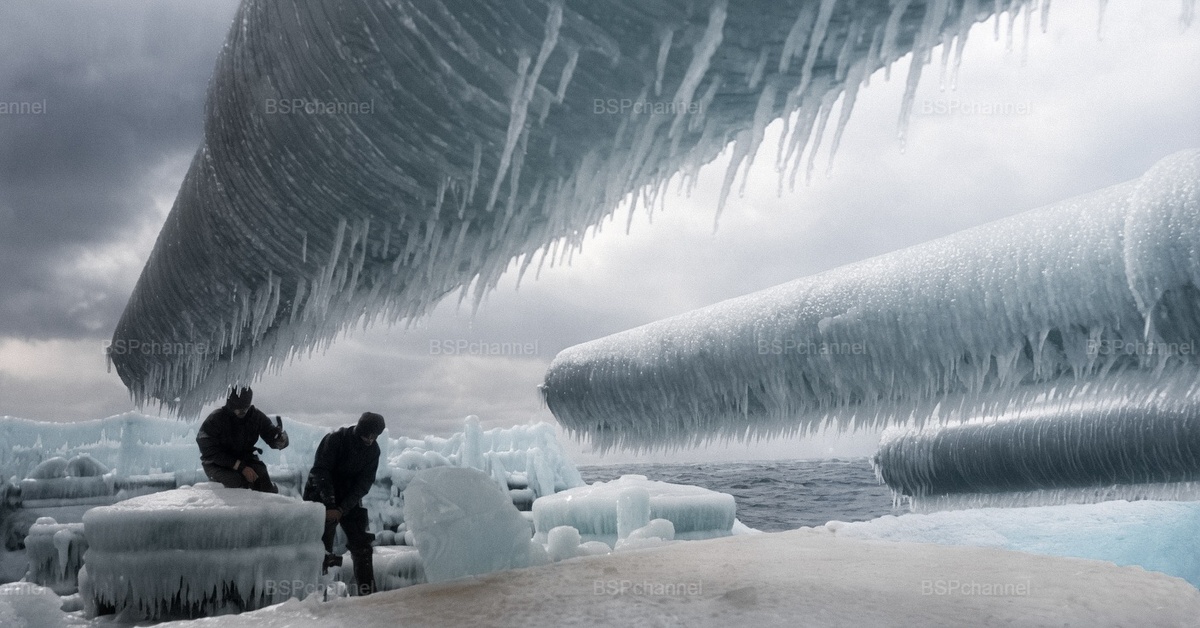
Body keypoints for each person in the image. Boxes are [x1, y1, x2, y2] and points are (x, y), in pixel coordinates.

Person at [304, 412, 385, 596]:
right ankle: (315, 597)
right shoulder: (335, 439)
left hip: (347, 498)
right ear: (359, 430)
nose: (370, 440)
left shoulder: (373, 450)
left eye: (374, 436)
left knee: (362, 545)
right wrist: (330, 505)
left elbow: (364, 483)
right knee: (321, 549)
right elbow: (320, 471)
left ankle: (369, 595)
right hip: (320, 494)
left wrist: (342, 508)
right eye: (367, 435)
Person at [196, 387, 289, 492]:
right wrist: (240, 466)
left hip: (245, 458)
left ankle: (269, 499)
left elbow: (269, 432)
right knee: (236, 482)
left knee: (261, 475)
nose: (242, 411)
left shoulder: (255, 416)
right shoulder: (215, 419)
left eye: (245, 408)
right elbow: (209, 451)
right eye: (238, 408)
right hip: (216, 464)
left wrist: (279, 440)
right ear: (231, 405)